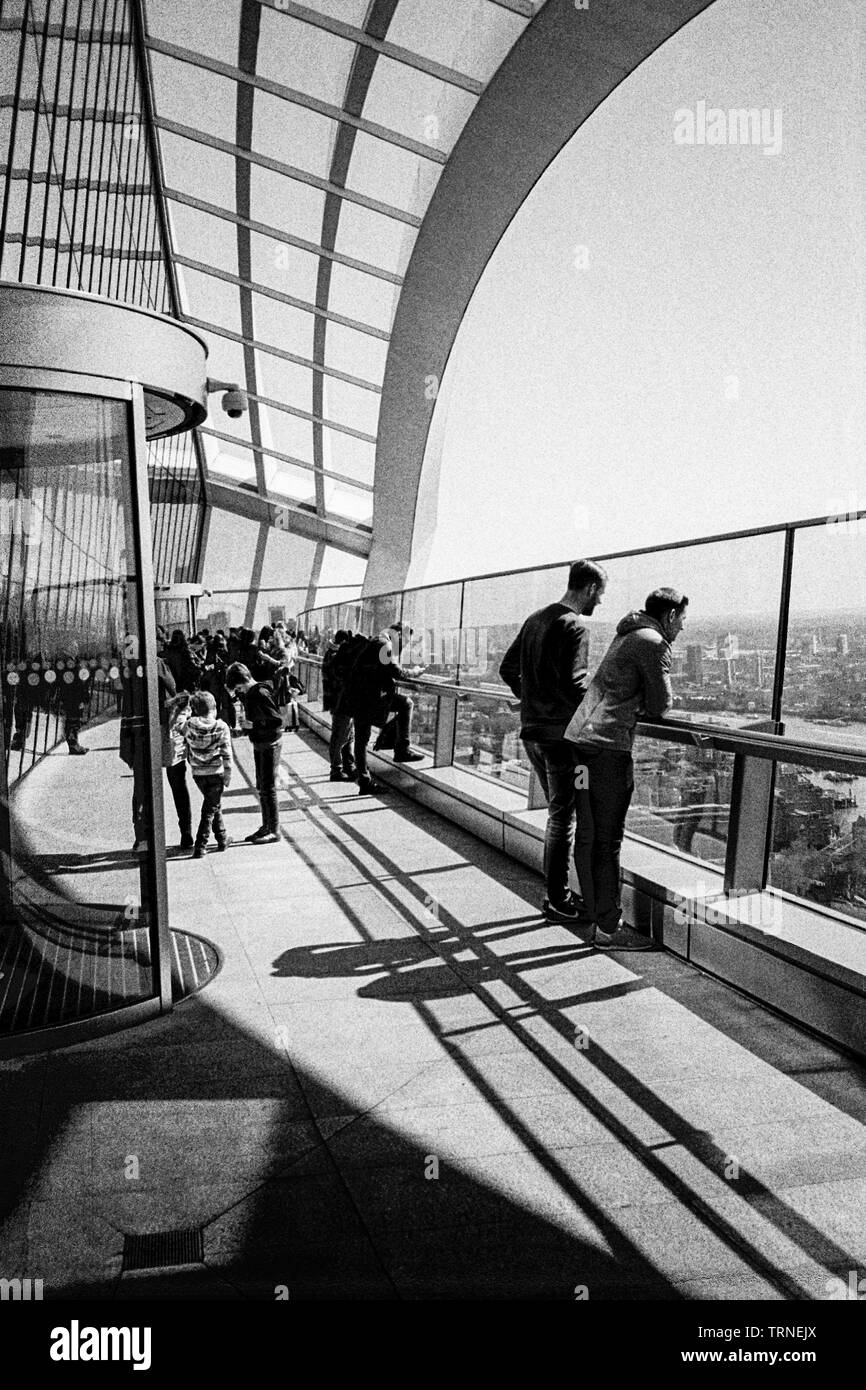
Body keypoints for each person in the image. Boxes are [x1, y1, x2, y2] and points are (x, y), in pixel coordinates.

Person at [564, 586, 688, 950]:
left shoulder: (628, 634)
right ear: (669, 616)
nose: (682, 627)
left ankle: (593, 911)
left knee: (587, 833)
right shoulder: (653, 642)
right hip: (607, 753)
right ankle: (608, 928)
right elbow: (661, 705)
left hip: (581, 747)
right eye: (681, 619)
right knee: (607, 840)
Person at [499, 558, 607, 923]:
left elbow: (507, 668)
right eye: (600, 594)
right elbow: (577, 685)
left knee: (559, 814)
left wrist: (531, 698)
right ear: (589, 588)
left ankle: (556, 895)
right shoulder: (575, 626)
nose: (600, 603)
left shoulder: (535, 619)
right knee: (564, 817)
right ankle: (557, 899)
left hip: (533, 732)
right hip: (562, 737)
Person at [340, 627, 423, 794]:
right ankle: (401, 750)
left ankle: (365, 781)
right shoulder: (384, 644)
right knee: (406, 703)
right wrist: (415, 672)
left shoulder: (376, 642)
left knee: (361, 739)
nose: (403, 646)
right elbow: (396, 671)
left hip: (358, 696)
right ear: (398, 635)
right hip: (368, 698)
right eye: (404, 641)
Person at [225, 661, 284, 842]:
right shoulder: (253, 693)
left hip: (269, 744)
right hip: (261, 742)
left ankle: (273, 829)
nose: (239, 693)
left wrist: (254, 725)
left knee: (268, 787)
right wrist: (244, 730)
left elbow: (277, 720)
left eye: (239, 689)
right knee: (262, 787)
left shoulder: (259, 693)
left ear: (242, 683)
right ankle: (267, 825)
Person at [178, 690, 233, 858]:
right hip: (216, 773)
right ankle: (200, 845)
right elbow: (226, 753)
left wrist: (184, 711)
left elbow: (179, 726)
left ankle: (222, 838)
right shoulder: (221, 727)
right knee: (209, 810)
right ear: (214, 708)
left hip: (198, 774)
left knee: (213, 805)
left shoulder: (191, 724)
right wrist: (228, 773)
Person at [326, 630, 366, 782]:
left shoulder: (333, 654)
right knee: (340, 736)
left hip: (340, 701)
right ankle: (336, 769)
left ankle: (348, 765)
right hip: (341, 702)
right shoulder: (338, 657)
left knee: (348, 735)